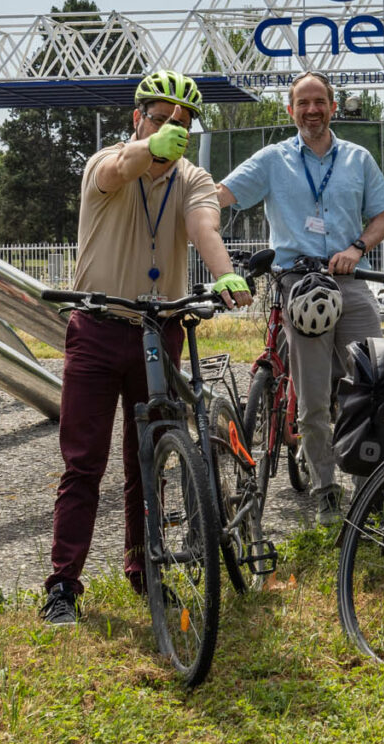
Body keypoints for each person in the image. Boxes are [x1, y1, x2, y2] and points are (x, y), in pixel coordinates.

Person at [42, 70, 248, 626]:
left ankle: (145, 567)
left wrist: (224, 273)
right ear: (137, 119)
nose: (171, 131)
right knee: (84, 462)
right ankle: (63, 584)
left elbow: (204, 226)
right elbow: (118, 169)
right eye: (159, 119)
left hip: (160, 328)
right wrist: (144, 148)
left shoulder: (193, 177)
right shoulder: (104, 162)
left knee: (150, 457)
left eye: (181, 124)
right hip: (98, 325)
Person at [216, 71, 384, 518]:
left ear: (333, 107)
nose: (312, 110)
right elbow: (221, 194)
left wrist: (358, 248)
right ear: (290, 110)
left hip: (350, 282)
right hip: (298, 284)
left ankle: (368, 481)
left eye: (320, 102)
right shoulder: (273, 160)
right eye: (303, 103)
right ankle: (325, 488)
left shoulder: (358, 158)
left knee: (372, 381)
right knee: (314, 395)